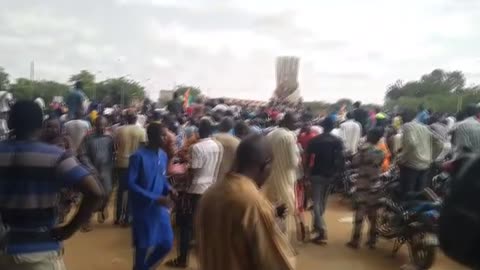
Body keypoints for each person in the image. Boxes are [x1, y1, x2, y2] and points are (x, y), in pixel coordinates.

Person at [0, 100, 104, 269]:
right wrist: (69, 229)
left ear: (10, 122)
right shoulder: (56, 156)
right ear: (41, 124)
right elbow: (96, 192)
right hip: (39, 251)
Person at [196, 134, 295, 270]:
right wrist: (274, 227)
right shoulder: (252, 201)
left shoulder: (210, 194)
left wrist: (270, 216)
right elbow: (274, 261)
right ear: (266, 165)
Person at [166, 118, 223, 268]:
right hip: (210, 189)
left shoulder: (197, 148)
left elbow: (193, 170)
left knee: (185, 226)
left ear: (198, 132)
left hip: (195, 191)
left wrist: (185, 166)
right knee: (203, 225)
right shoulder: (218, 146)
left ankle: (183, 259)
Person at [128, 122, 175, 270]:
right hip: (143, 208)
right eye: (162, 135)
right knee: (143, 246)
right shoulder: (138, 156)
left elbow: (162, 178)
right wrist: (154, 198)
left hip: (160, 207)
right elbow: (131, 183)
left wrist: (170, 188)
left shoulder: (163, 155)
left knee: (167, 243)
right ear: (151, 137)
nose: (165, 138)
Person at [305, 117, 345, 244]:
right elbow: (341, 159)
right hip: (330, 175)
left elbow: (307, 157)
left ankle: (321, 230)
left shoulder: (315, 140)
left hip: (316, 173)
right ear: (333, 127)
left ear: (323, 126)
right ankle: (317, 226)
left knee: (316, 202)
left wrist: (306, 172)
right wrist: (338, 174)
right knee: (322, 202)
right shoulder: (337, 141)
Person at [262, 112, 300, 247]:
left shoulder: (270, 134)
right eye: (295, 122)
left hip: (269, 179)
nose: (297, 125)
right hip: (284, 179)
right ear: (287, 122)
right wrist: (299, 157)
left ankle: (269, 241)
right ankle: (281, 245)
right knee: (284, 212)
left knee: (270, 210)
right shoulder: (289, 137)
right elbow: (293, 163)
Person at [346, 128, 385, 249]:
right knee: (373, 215)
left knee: (360, 214)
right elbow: (380, 164)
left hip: (363, 185)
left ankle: (355, 240)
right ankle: (372, 240)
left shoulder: (363, 150)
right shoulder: (381, 152)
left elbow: (355, 162)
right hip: (375, 186)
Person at [77, 116, 115, 231]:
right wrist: (90, 167)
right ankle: (86, 221)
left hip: (107, 170)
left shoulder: (110, 138)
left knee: (107, 193)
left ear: (107, 125)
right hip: (92, 171)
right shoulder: (88, 138)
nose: (101, 128)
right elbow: (82, 154)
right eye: (99, 125)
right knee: (91, 195)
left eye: (104, 125)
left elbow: (115, 152)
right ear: (94, 126)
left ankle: (102, 207)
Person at [397, 110, 443, 196]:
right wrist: (432, 157)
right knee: (419, 194)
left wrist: (402, 159)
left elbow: (411, 144)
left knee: (407, 194)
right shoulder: (424, 127)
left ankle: (406, 208)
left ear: (403, 118)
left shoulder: (407, 126)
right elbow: (440, 143)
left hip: (411, 166)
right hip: (425, 165)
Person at [114, 111, 147, 225]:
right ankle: (128, 218)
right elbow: (142, 149)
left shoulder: (119, 130)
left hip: (121, 162)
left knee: (120, 190)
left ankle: (118, 217)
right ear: (136, 119)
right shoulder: (142, 131)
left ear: (126, 119)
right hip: (135, 164)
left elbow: (116, 145)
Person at [213, 117, 240, 182]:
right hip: (226, 178)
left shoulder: (212, 138)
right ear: (231, 128)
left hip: (211, 175)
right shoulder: (237, 142)